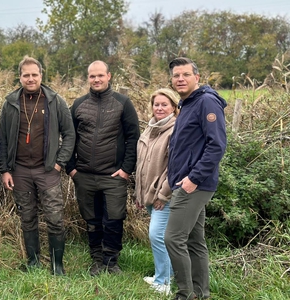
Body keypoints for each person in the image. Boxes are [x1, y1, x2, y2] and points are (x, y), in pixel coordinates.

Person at [0, 56, 75, 275]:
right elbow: (2, 138)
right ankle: (33, 262)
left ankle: (56, 265)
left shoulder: (54, 100)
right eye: (26, 75)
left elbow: (69, 134)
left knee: (54, 217)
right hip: (20, 171)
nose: (30, 79)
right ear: (20, 77)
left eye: (34, 74)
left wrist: (60, 162)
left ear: (41, 75)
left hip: (48, 170)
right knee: (27, 217)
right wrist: (5, 169)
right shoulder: (11, 102)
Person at [66, 60, 140, 276]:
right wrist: (71, 169)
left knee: (114, 219)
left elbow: (133, 137)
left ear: (109, 76)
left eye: (100, 75)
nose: (96, 79)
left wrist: (126, 169)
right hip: (84, 176)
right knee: (92, 220)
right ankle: (97, 260)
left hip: (113, 175)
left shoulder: (122, 103)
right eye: (92, 76)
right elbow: (70, 137)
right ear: (87, 78)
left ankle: (111, 260)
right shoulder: (79, 104)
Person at [164, 57, 227, 300]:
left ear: (197, 78)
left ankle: (184, 294)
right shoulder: (187, 103)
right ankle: (201, 294)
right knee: (194, 240)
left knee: (173, 238)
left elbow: (217, 145)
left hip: (194, 184)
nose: (180, 79)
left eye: (185, 75)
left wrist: (193, 178)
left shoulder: (206, 103)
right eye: (176, 75)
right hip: (185, 182)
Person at [135, 88, 179, 295]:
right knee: (160, 235)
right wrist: (139, 194)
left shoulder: (175, 130)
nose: (159, 108)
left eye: (164, 104)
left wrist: (163, 194)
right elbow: (142, 164)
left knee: (157, 235)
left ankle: (163, 283)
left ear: (173, 107)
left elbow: (174, 168)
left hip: (164, 195)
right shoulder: (150, 128)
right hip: (150, 194)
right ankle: (166, 275)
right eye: (156, 104)